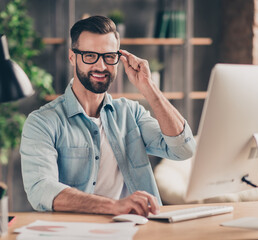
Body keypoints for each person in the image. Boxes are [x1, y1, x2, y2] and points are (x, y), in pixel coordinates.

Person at [20, 15, 196, 217]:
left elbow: (184, 150)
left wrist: (149, 88)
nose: (101, 66)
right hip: (74, 232)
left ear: (118, 58)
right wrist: (114, 206)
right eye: (89, 56)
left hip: (137, 229)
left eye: (109, 56)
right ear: (72, 57)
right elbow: (41, 190)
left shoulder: (131, 113)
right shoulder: (42, 122)